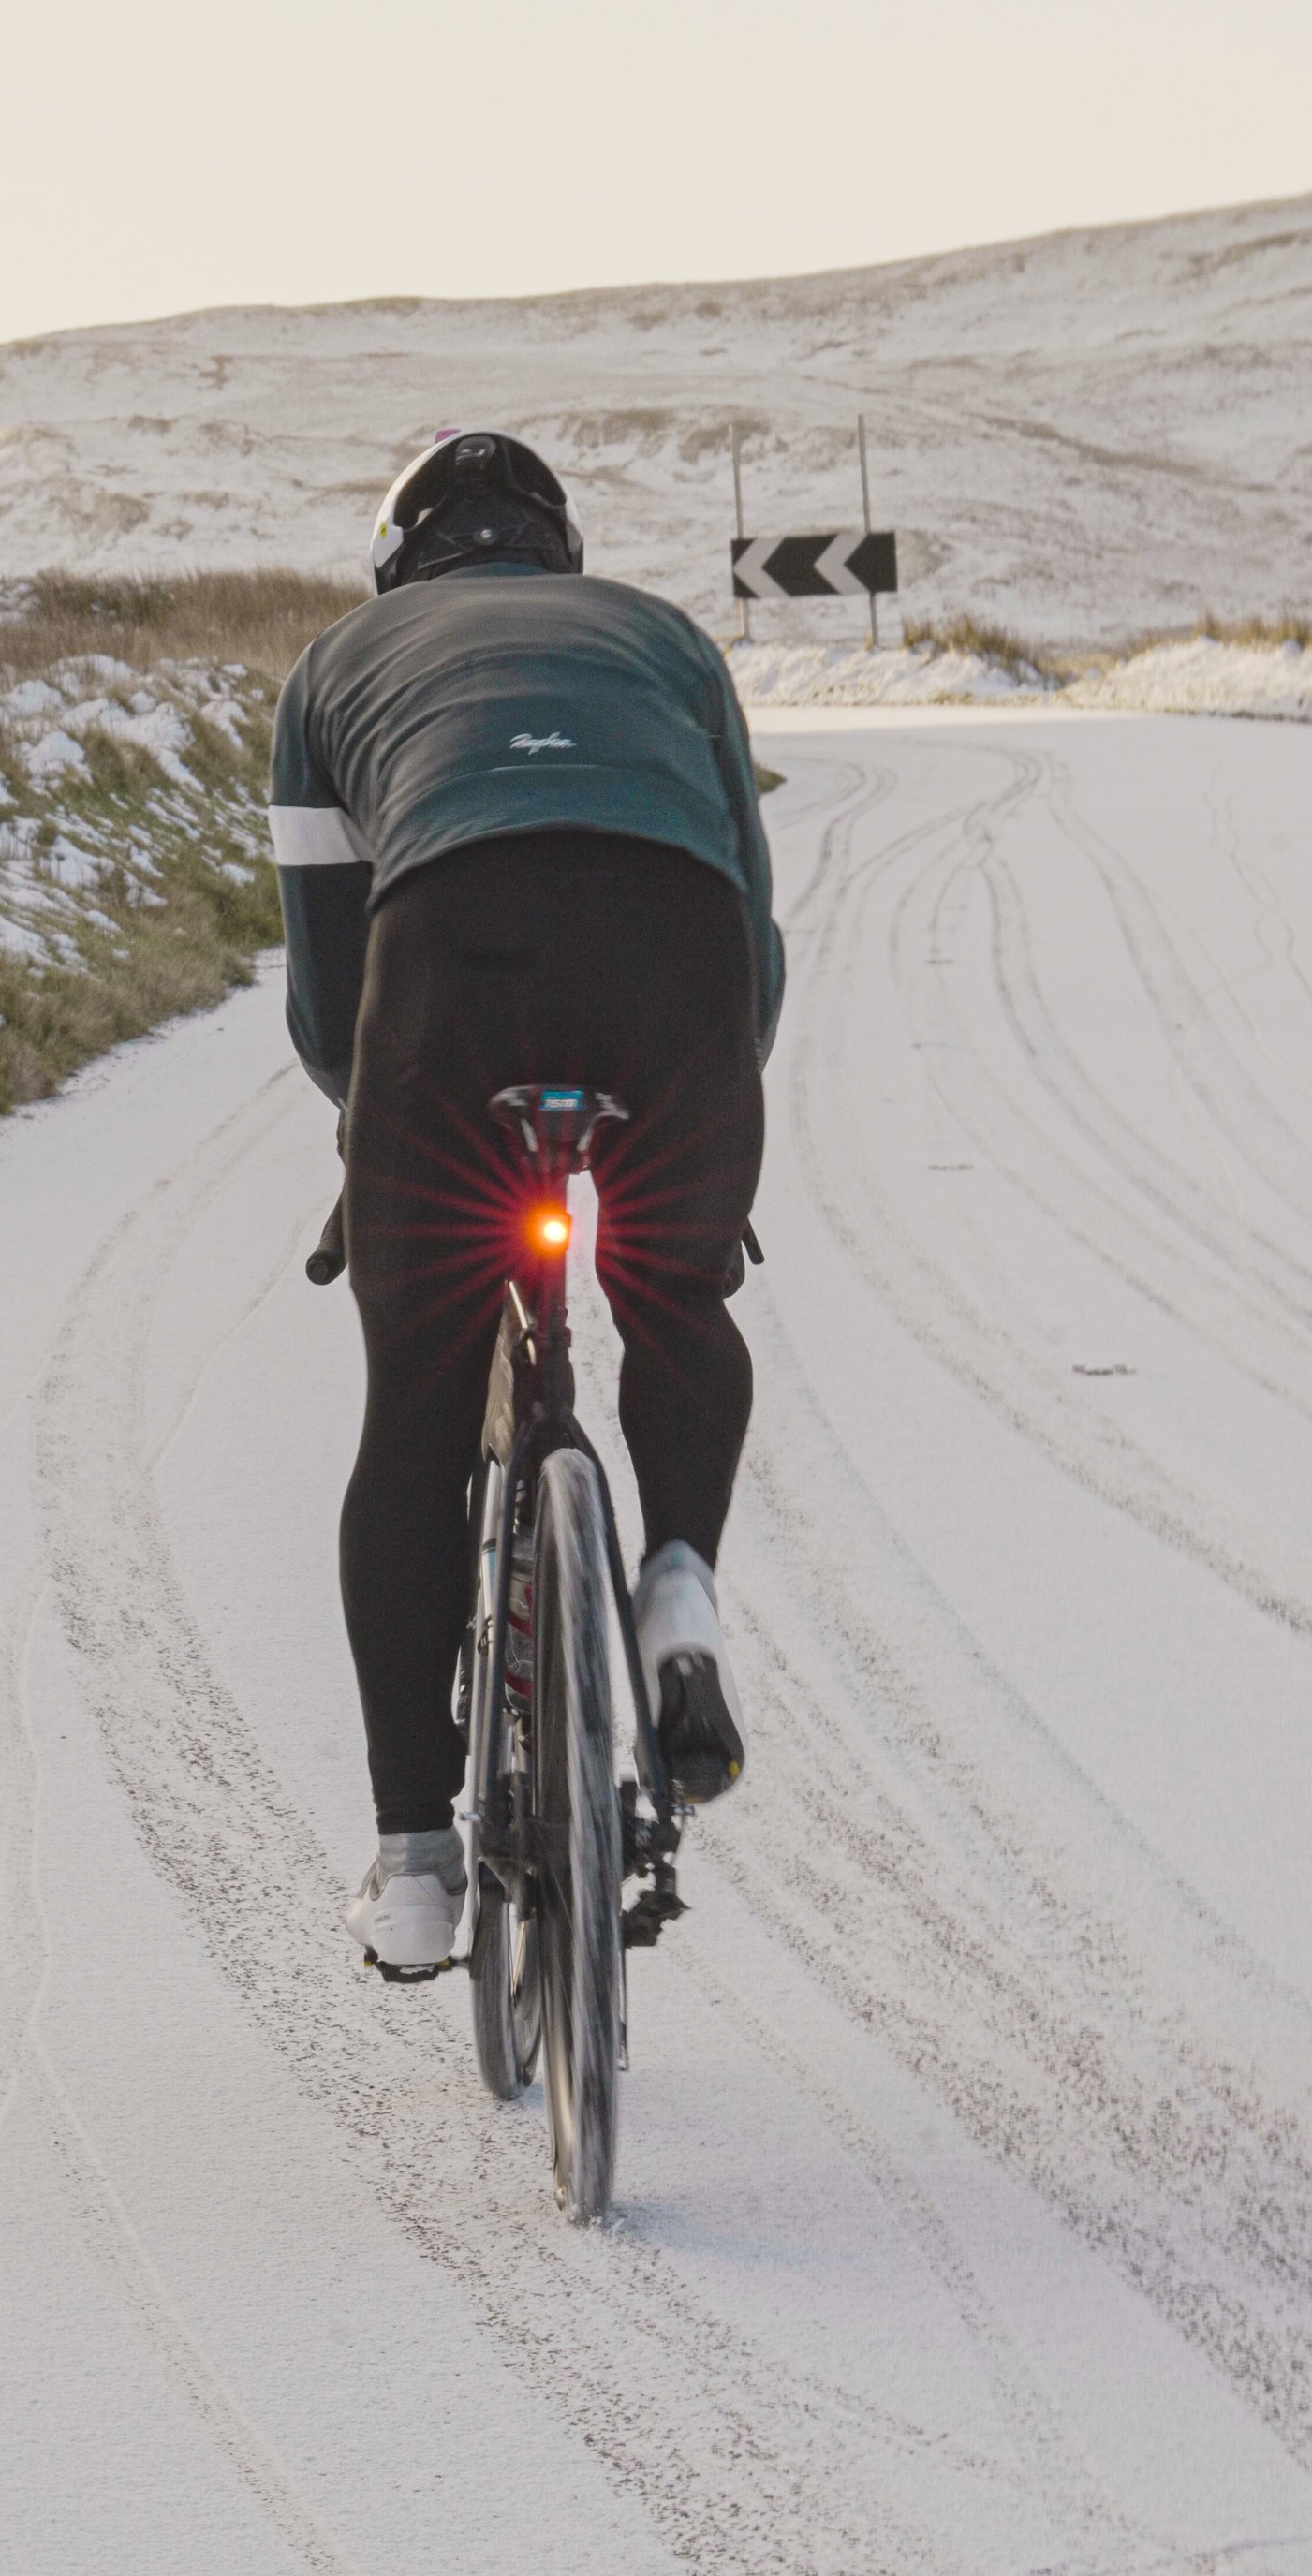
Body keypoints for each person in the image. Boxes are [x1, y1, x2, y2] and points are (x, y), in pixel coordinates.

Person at [270, 430, 785, 1978]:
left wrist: (375, 1137)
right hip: (673, 957)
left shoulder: (332, 668)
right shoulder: (669, 639)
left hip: (452, 958)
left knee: (417, 1407)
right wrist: (696, 1140)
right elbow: (749, 926)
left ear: (397, 563)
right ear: (556, 552)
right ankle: (677, 1582)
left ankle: (418, 1861)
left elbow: (323, 985)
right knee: (676, 1299)